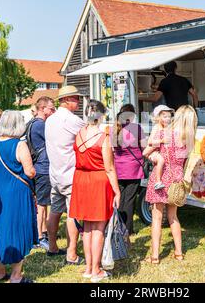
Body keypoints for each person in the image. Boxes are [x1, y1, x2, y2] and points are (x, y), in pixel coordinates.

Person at [69, 100, 121, 283]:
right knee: (98, 227)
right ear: (101, 115)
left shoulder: (78, 134)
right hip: (98, 181)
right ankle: (96, 270)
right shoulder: (103, 138)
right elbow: (110, 168)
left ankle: (88, 268)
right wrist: (117, 191)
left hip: (81, 179)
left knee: (87, 228)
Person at [144, 105, 197, 264]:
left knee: (157, 217)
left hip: (162, 177)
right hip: (177, 178)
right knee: (173, 217)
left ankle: (155, 256)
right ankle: (179, 253)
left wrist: (154, 156)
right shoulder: (189, 139)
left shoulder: (164, 133)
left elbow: (146, 152)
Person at [0, 110, 37, 283]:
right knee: (18, 229)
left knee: (1, 232)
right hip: (17, 192)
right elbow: (29, 171)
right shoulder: (19, 145)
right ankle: (16, 276)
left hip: (0, 192)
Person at [45, 86, 86, 264]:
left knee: (55, 211)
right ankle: (71, 253)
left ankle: (52, 246)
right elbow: (91, 135)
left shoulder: (50, 120)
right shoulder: (72, 120)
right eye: (76, 98)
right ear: (66, 100)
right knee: (73, 214)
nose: (78, 101)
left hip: (54, 172)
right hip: (70, 173)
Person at [110, 104, 146, 235]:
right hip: (133, 169)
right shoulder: (136, 129)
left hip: (118, 169)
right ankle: (128, 229)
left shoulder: (113, 129)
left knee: (119, 198)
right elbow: (144, 147)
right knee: (129, 200)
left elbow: (112, 149)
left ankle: (118, 226)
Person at [27, 96, 56, 251]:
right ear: (42, 108)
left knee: (42, 203)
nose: (53, 111)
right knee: (42, 205)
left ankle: (43, 232)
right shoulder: (40, 125)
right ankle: (39, 237)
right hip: (43, 168)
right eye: (51, 108)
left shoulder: (32, 123)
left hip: (39, 166)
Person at [142, 105, 174, 190]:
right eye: (165, 116)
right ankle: (158, 182)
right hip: (152, 152)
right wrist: (162, 141)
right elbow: (150, 142)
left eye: (169, 117)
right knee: (161, 159)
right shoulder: (156, 127)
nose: (168, 119)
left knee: (162, 160)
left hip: (156, 150)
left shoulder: (166, 128)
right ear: (158, 117)